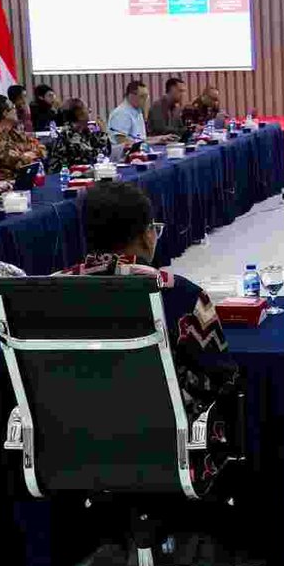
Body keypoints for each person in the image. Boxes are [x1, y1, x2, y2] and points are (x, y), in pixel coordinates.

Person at [55, 181, 242, 502]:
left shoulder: (49, 291)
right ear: (147, 235)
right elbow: (223, 377)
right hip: (166, 448)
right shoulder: (179, 293)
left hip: (73, 445)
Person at [0, 93, 45, 181]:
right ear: (5, 113)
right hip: (9, 184)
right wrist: (29, 154)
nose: (16, 110)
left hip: (27, 180)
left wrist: (27, 155)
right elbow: (22, 164)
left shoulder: (14, 133)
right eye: (13, 108)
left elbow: (42, 148)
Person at [46, 98, 114, 172]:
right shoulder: (70, 133)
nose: (90, 111)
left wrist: (100, 133)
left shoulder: (83, 130)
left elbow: (105, 151)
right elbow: (92, 157)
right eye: (87, 109)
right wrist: (103, 133)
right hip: (61, 175)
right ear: (79, 114)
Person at [107, 80, 149, 144]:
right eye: (142, 96)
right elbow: (121, 141)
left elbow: (140, 139)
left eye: (147, 97)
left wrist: (158, 139)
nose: (145, 100)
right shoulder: (121, 113)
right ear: (131, 95)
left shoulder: (137, 111)